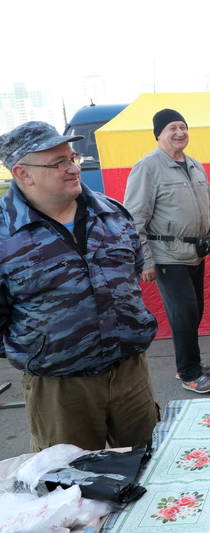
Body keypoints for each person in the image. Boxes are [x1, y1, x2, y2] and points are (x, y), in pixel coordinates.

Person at [0, 121, 159, 451]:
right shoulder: (5, 234)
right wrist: (43, 349)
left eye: (73, 158)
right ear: (23, 173)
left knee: (151, 469)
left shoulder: (112, 214)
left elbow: (131, 275)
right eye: (59, 163)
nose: (73, 168)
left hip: (130, 375)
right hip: (60, 389)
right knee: (70, 489)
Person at [124, 109, 210, 394]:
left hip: (195, 252)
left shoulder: (195, 166)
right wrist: (145, 260)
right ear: (158, 134)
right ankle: (189, 373)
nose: (180, 133)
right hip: (167, 254)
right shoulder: (147, 168)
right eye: (172, 128)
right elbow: (134, 217)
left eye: (183, 127)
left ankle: (192, 364)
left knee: (195, 311)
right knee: (183, 312)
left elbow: (209, 209)